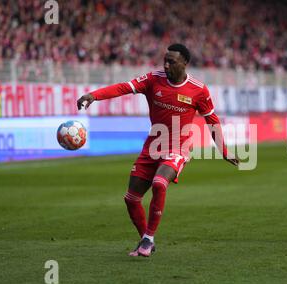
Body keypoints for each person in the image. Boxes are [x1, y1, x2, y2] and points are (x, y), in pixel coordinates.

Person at [77, 44, 239, 257]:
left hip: (179, 146)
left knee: (159, 183)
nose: (166, 64)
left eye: (171, 61)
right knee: (131, 199)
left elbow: (212, 120)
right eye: (165, 60)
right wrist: (94, 95)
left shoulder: (199, 90)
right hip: (153, 145)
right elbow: (123, 87)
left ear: (184, 63)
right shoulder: (153, 79)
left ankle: (148, 238)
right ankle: (146, 239)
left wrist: (224, 151)